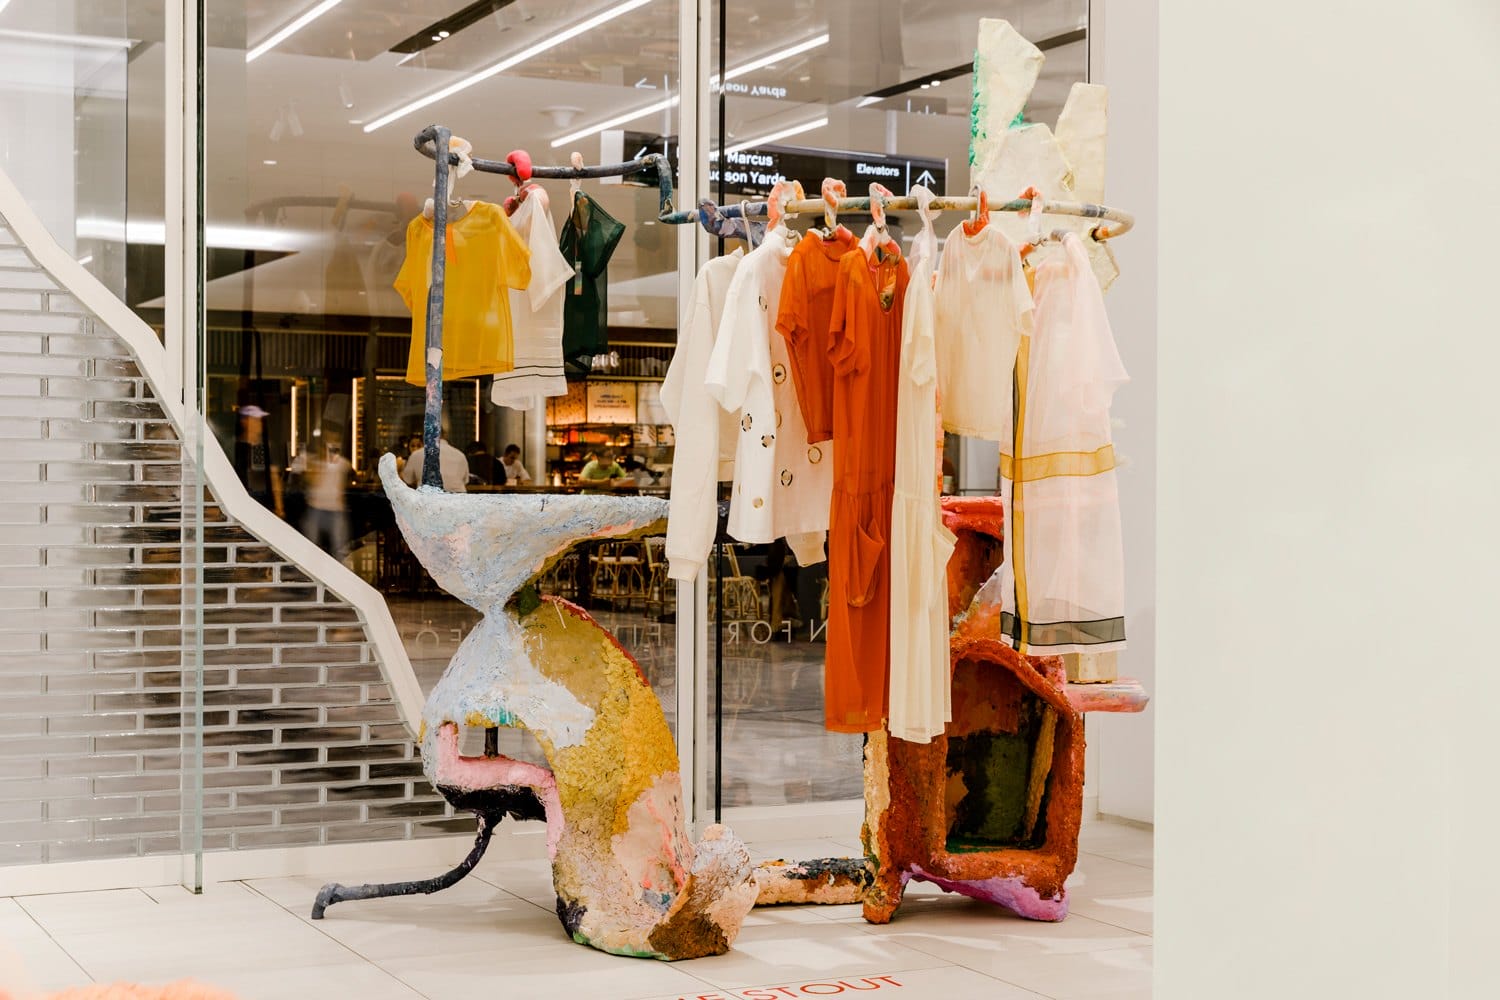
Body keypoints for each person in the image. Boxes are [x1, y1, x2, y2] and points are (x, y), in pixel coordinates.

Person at [297, 434, 351, 558]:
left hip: (334, 510)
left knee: (339, 548)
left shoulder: (341, 463)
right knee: (311, 546)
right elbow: (306, 478)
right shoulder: (314, 462)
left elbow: (350, 473)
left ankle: (337, 568)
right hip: (316, 509)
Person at [233, 404, 285, 518]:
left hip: (263, 502)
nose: (259, 424)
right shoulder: (234, 446)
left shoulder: (267, 447)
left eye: (260, 420)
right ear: (244, 422)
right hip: (241, 502)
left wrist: (279, 506)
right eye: (255, 420)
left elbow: (274, 477)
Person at [400, 426, 471, 492]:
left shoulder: (417, 454)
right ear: (444, 435)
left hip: (429, 498)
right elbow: (465, 481)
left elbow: (407, 480)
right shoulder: (460, 455)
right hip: (458, 498)